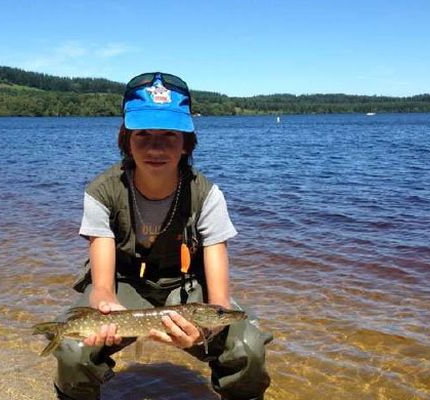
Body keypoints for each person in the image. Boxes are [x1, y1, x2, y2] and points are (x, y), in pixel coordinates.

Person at [53, 72, 272, 400]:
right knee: (72, 349)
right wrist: (104, 304)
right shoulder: (101, 192)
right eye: (143, 134)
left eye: (169, 134)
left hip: (187, 291)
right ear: (126, 139)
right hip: (124, 286)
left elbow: (219, 301)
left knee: (247, 346)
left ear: (187, 142)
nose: (155, 147)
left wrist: (204, 332)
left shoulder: (208, 196)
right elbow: (101, 286)